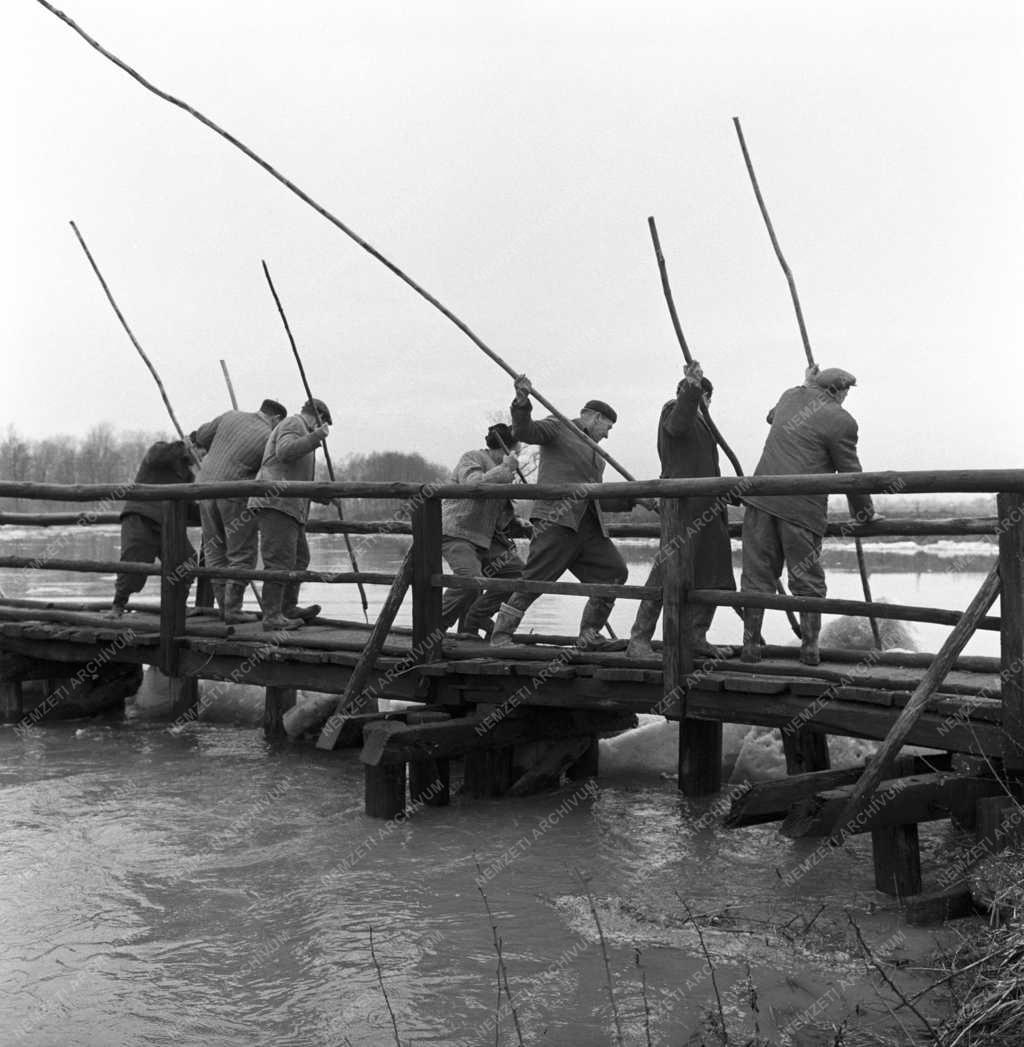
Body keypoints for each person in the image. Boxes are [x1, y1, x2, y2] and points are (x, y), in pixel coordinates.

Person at [490, 376, 645, 647]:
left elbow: (597, 496)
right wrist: (522, 402)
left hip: (588, 528)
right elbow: (524, 431)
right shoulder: (558, 426)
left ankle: (589, 635)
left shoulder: (598, 454)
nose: (607, 434)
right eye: (607, 427)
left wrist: (635, 499)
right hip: (556, 522)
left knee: (614, 572)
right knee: (535, 580)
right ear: (595, 418)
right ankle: (501, 635)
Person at [740, 365, 875, 665]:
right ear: (837, 391)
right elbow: (851, 473)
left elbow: (771, 417)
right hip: (801, 510)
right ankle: (810, 650)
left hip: (760, 499)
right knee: (807, 580)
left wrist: (804, 385)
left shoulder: (789, 396)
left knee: (756, 577)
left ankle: (751, 648)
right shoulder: (842, 420)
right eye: (846, 392)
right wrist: (864, 513)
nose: (846, 398)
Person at [626, 360, 737, 659]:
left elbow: (707, 464)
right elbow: (677, 426)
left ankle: (695, 636)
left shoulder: (705, 424)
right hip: (684, 507)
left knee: (712, 570)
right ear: (705, 398)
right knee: (668, 568)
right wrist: (690, 388)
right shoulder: (674, 410)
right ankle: (639, 639)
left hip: (709, 506)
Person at [190, 398, 287, 623]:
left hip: (203, 490)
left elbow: (202, 436)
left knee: (214, 552)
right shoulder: (270, 437)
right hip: (234, 494)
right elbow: (271, 470)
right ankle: (233, 609)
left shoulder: (230, 415)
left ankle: (225, 607)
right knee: (242, 554)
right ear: (277, 419)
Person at [248, 398, 332, 632]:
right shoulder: (294, 424)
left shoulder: (302, 431)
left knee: (299, 559)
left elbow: (296, 477)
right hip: (277, 503)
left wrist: (320, 494)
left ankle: (287, 608)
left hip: (290, 507)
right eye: (323, 424)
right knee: (279, 561)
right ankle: (273, 616)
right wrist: (316, 437)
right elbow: (284, 452)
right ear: (319, 418)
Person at [440, 423, 530, 638]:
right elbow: (474, 485)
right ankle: (431, 629)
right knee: (470, 582)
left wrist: (516, 522)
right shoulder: (472, 457)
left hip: (486, 539)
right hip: (457, 533)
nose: (518, 455)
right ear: (509, 448)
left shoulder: (504, 471)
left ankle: (475, 617)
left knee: (519, 576)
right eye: (517, 450)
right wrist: (506, 468)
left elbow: (494, 509)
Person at [107, 440, 198, 617]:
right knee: (134, 562)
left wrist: (208, 510)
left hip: (168, 525)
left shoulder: (187, 476)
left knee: (187, 560)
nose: (201, 456)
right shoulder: (162, 453)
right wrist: (182, 447)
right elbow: (155, 456)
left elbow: (187, 507)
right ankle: (118, 605)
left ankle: (177, 606)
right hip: (141, 517)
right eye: (199, 450)